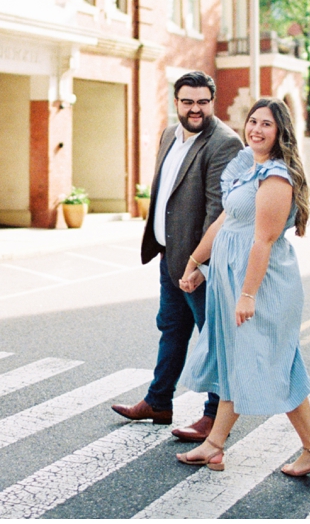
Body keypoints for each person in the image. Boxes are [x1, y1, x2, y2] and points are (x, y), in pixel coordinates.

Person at [173, 97, 310, 477]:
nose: (256, 130)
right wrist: (196, 262)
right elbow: (225, 223)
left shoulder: (276, 177)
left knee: (262, 362)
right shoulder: (247, 167)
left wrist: (248, 295)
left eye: (266, 125)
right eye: (253, 121)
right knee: (243, 360)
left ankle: (309, 450)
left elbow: (262, 240)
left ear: (280, 134)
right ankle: (221, 446)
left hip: (263, 285)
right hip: (230, 279)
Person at [111, 71, 243, 442]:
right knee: (171, 329)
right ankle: (158, 402)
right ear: (177, 103)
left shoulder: (223, 144)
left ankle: (214, 416)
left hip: (201, 266)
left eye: (203, 101)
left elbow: (219, 213)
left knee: (213, 339)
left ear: (212, 101)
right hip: (169, 257)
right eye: (188, 101)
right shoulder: (169, 134)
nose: (195, 108)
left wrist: (199, 265)